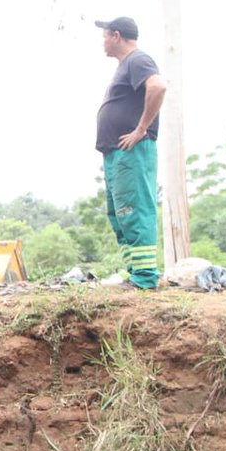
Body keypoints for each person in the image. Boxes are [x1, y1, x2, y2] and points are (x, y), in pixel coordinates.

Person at [95, 16, 166, 290]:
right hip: (116, 152)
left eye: (104, 36)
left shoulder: (138, 59)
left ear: (116, 35)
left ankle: (145, 277)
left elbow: (158, 86)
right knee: (120, 213)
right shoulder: (125, 66)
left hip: (132, 150)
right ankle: (136, 272)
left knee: (135, 209)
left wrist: (141, 129)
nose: (102, 42)